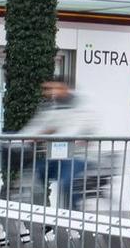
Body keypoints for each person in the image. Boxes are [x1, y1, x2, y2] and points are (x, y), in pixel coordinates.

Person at [17, 80, 102, 209]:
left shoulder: (81, 107)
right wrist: (18, 139)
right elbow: (39, 125)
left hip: (80, 157)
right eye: (48, 89)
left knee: (66, 182)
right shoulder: (53, 108)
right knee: (35, 175)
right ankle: (42, 217)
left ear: (65, 88)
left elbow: (75, 129)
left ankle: (74, 216)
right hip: (58, 157)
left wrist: (50, 133)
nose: (51, 92)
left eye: (54, 88)